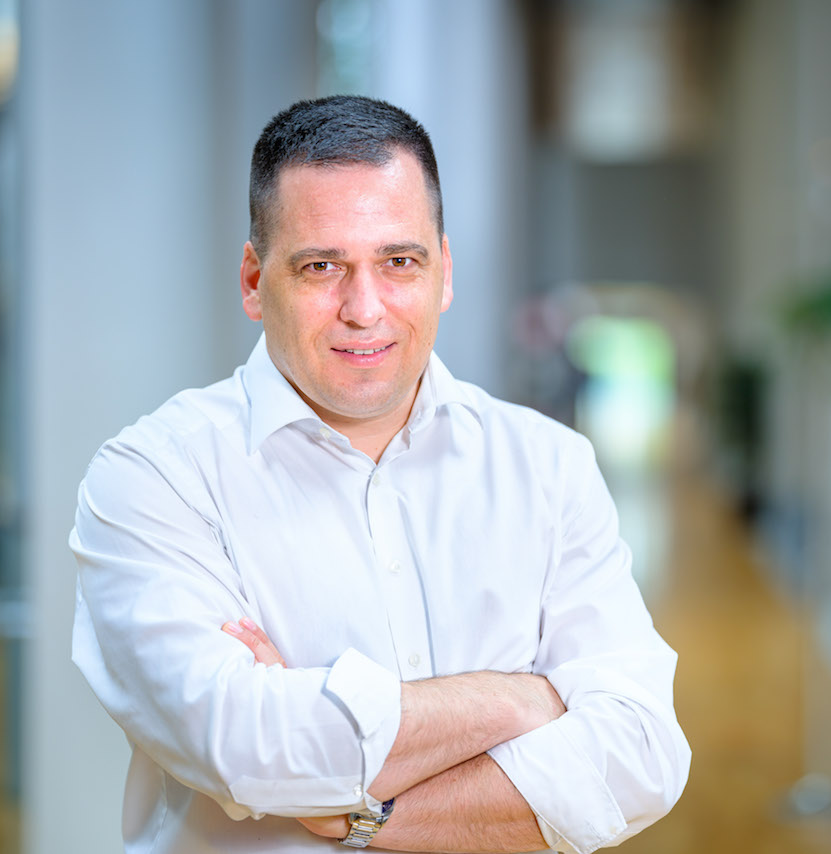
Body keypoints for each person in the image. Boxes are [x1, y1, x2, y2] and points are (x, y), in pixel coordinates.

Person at [70, 95, 690, 853]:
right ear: (254, 280)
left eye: (399, 262)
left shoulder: (548, 467)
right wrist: (520, 700)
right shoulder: (154, 479)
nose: (364, 309)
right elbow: (242, 746)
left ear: (444, 272)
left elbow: (642, 756)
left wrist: (357, 813)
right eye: (321, 266)